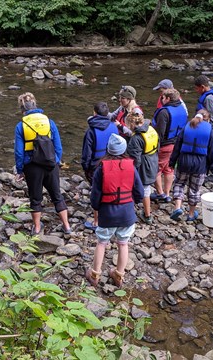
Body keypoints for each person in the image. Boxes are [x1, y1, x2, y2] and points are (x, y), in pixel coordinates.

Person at [85, 134, 144, 288]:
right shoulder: (131, 166)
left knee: (102, 243)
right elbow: (139, 191)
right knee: (123, 244)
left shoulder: (101, 168)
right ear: (124, 149)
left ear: (108, 150)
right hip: (126, 212)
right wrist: (134, 202)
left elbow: (95, 194)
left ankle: (95, 275)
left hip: (108, 213)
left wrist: (96, 207)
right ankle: (119, 275)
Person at [14, 92, 72, 235]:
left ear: (22, 109)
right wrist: (56, 161)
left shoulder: (21, 126)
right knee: (57, 195)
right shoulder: (49, 122)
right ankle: (67, 226)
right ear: (35, 105)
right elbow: (58, 145)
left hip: (32, 166)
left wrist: (20, 170)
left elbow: (19, 152)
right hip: (50, 164)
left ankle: (37, 228)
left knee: (35, 197)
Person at [168, 111, 213, 222]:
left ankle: (177, 207)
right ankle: (191, 214)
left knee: (179, 183)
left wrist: (172, 162)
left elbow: (177, 146)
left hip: (183, 161)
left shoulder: (187, 126)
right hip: (200, 164)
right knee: (194, 189)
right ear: (208, 119)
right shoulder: (210, 131)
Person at [81, 101, 119, 230]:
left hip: (96, 166)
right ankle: (111, 217)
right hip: (112, 163)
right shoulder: (114, 127)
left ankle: (97, 222)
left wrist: (86, 167)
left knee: (96, 192)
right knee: (110, 190)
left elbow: (87, 153)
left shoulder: (91, 131)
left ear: (94, 113)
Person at [151, 88, 189, 203]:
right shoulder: (182, 109)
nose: (161, 99)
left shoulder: (164, 112)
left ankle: (160, 193)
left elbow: (160, 133)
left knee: (156, 169)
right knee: (169, 169)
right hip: (177, 144)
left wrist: (154, 146)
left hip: (165, 146)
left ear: (168, 99)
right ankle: (167, 193)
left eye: (163, 97)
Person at [126, 112, 159, 224]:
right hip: (153, 160)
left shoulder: (136, 138)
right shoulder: (151, 129)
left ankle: (145, 215)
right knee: (146, 189)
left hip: (144, 165)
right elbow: (158, 145)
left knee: (142, 189)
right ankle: (147, 213)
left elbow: (135, 159)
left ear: (131, 124)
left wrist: (131, 172)